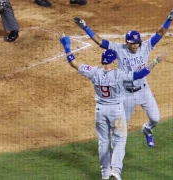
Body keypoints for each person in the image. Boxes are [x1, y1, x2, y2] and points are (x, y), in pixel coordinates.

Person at [59, 35, 167, 180]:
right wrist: (156, 61)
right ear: (114, 61)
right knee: (119, 140)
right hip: (116, 113)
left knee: (103, 142)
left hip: (100, 112)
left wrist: (66, 45)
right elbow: (141, 73)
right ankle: (115, 171)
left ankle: (104, 174)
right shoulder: (119, 74)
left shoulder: (94, 72)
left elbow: (73, 62)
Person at [73, 7, 173, 148]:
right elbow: (100, 41)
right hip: (125, 94)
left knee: (155, 118)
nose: (134, 45)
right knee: (120, 125)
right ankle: (113, 148)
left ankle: (147, 130)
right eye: (131, 43)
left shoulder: (145, 47)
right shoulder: (118, 49)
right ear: (127, 42)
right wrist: (85, 27)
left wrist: (169, 19)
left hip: (143, 90)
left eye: (136, 43)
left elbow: (160, 33)